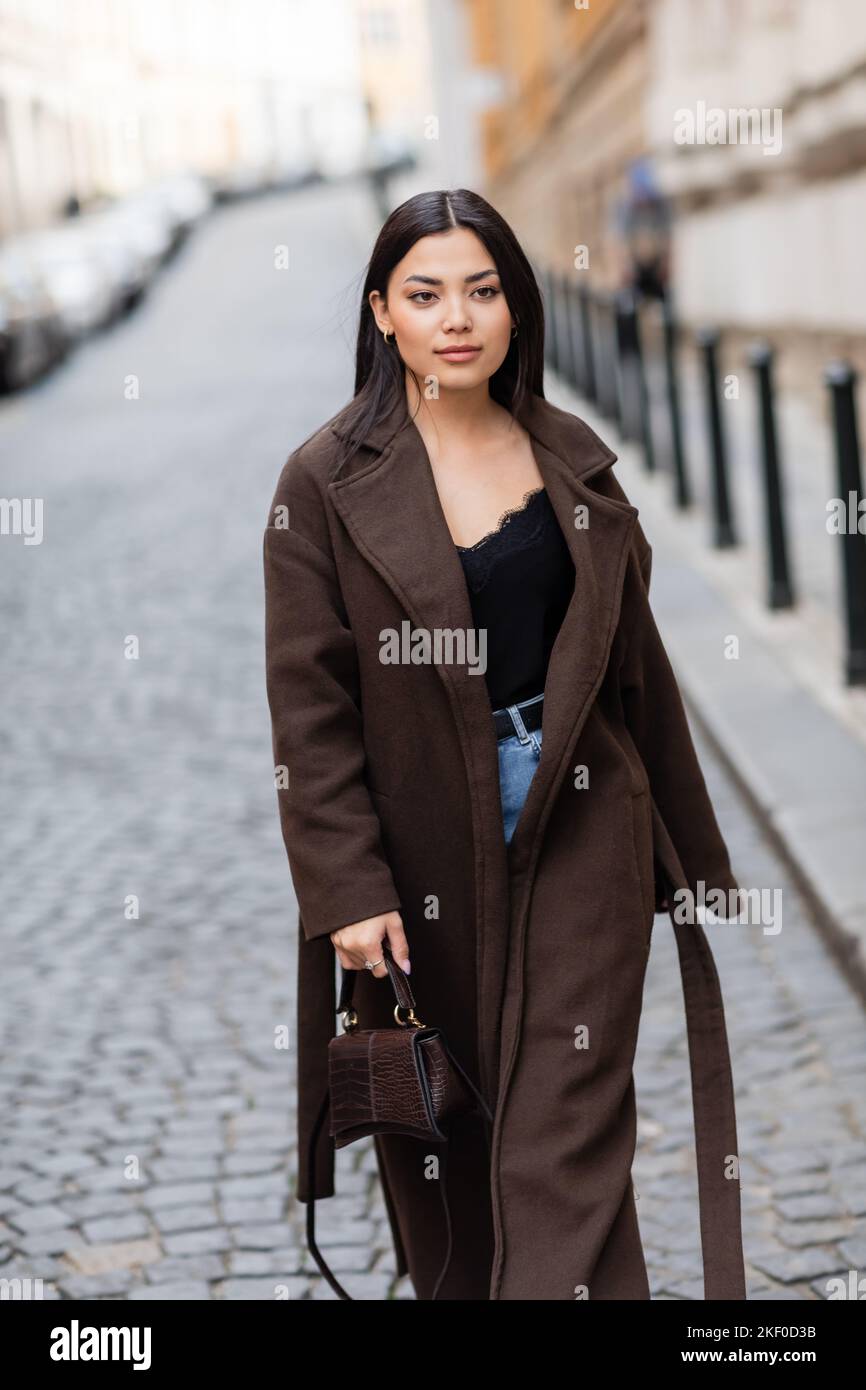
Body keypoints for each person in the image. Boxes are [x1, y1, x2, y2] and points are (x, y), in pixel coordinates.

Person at [263, 188, 746, 1301]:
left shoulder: (569, 455)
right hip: (421, 842)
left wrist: (684, 848)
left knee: (557, 1140)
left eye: (481, 290)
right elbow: (309, 707)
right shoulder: (322, 485)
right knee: (450, 1151)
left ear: (516, 307)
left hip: (582, 822)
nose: (456, 317)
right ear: (382, 312)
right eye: (425, 294)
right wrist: (345, 887)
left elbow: (636, 668)